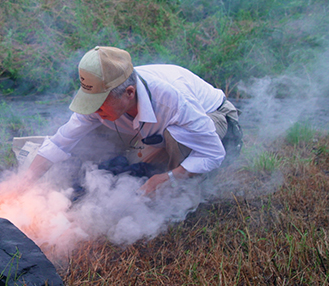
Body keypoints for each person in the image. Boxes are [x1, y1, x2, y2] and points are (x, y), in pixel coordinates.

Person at [23, 46, 241, 195]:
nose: (93, 110)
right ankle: (153, 167)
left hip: (216, 123)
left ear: (128, 92)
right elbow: (60, 142)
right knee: (87, 134)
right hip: (152, 135)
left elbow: (213, 153)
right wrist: (22, 183)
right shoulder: (98, 100)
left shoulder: (171, 100)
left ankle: (183, 193)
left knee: (175, 137)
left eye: (99, 104)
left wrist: (169, 178)